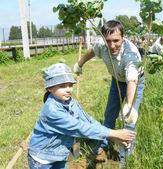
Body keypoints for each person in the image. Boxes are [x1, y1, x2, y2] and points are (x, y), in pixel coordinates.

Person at [27, 63, 135, 169]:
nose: (68, 89)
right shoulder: (52, 111)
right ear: (49, 88)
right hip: (42, 158)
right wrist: (114, 133)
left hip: (60, 154)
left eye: (70, 85)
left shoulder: (70, 101)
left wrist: (112, 136)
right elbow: (80, 127)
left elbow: (88, 121)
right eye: (62, 86)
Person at [73, 20, 145, 163]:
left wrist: (129, 106)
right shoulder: (101, 45)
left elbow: (132, 80)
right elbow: (92, 52)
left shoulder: (131, 55)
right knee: (109, 115)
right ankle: (103, 146)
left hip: (135, 82)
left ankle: (125, 159)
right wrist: (79, 64)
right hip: (116, 80)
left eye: (116, 41)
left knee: (129, 120)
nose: (112, 46)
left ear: (123, 37)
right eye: (108, 41)